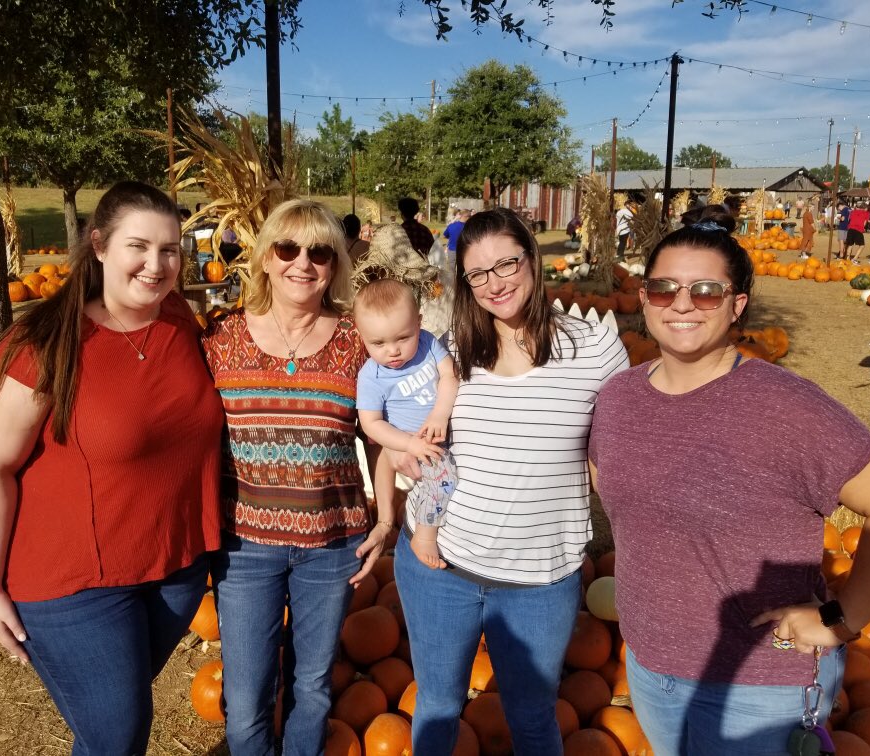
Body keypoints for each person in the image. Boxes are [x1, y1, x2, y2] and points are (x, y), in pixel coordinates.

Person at [589, 215, 870, 755]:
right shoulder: (617, 399)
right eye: (664, 288)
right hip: (649, 667)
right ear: (644, 297)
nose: (682, 304)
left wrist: (843, 621)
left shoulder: (784, 407)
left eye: (706, 292)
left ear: (738, 305)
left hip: (758, 686)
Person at [0, 181, 225, 755]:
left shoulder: (178, 318)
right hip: (74, 583)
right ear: (100, 245)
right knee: (117, 733)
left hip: (177, 566)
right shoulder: (44, 346)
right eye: (139, 246)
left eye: (170, 250)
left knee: (112, 729)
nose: (156, 266)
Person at [391, 207, 629, 754]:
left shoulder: (592, 347)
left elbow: (624, 448)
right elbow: (409, 431)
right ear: (464, 282)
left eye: (507, 264)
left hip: (539, 582)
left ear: (533, 259)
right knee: (438, 705)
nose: (495, 284)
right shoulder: (449, 351)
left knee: (531, 717)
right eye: (478, 274)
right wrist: (403, 458)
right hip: (439, 567)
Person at [200, 198, 392, 755]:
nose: (302, 263)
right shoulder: (221, 338)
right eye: (287, 248)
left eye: (320, 251)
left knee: (311, 687)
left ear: (336, 264)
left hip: (332, 546)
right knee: (245, 694)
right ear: (264, 258)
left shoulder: (359, 343)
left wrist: (385, 520)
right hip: (244, 547)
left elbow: (377, 437)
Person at [354, 278, 459, 569]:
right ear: (362, 336)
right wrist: (409, 442)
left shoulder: (427, 344)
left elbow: (450, 376)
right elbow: (371, 424)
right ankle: (424, 535)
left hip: (440, 432)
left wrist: (440, 412)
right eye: (378, 343)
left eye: (403, 338)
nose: (393, 351)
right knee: (444, 476)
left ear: (419, 323)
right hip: (414, 443)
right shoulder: (371, 377)